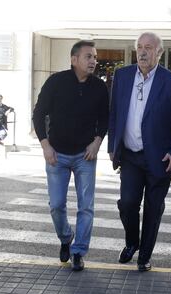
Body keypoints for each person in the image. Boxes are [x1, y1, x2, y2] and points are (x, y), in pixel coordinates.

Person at [108, 32, 171, 272]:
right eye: (139, 47)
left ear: (159, 53)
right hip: (131, 156)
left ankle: (144, 256)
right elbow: (114, 115)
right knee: (128, 204)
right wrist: (114, 145)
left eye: (149, 48)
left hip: (159, 159)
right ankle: (132, 242)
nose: (143, 52)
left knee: (153, 210)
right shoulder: (122, 76)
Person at [32, 40, 109, 271]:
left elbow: (105, 119)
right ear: (74, 59)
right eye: (88, 56)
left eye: (95, 57)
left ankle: (78, 251)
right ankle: (66, 237)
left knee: (86, 206)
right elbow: (38, 115)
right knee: (56, 205)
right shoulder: (56, 82)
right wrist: (45, 146)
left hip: (85, 155)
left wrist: (97, 143)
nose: (93, 61)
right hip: (57, 154)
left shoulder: (99, 87)